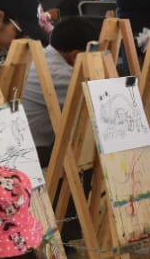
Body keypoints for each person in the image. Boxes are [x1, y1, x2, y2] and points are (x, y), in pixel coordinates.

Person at [23, 16, 97, 166]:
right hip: (35, 154)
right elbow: (100, 112)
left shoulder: (39, 57)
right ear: (76, 55)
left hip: (22, 147)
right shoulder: (61, 74)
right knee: (93, 141)